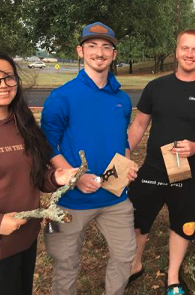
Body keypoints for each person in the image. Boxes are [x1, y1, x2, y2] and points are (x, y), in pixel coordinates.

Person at [0, 48, 77, 295]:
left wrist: (54, 178)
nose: (3, 84)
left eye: (9, 77)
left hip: (24, 239)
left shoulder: (21, 120)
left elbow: (32, 174)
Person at [41, 22, 138, 295]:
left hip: (114, 197)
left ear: (114, 54)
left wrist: (127, 166)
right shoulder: (62, 97)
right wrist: (75, 177)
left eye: (106, 47)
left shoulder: (122, 98)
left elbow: (123, 140)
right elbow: (47, 144)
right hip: (73, 198)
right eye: (92, 46)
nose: (100, 52)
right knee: (66, 262)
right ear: (80, 51)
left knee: (125, 255)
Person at [127, 29, 195, 295]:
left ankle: (173, 277)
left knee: (183, 222)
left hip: (187, 170)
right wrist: (125, 156)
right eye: (185, 48)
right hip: (154, 167)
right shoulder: (156, 87)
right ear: (176, 51)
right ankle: (134, 265)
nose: (189, 54)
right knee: (138, 219)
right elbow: (139, 124)